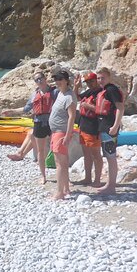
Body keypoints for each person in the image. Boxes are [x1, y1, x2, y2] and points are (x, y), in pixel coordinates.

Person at [2, 71, 57, 184]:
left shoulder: (55, 92)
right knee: (40, 152)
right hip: (39, 123)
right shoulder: (34, 94)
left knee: (57, 150)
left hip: (52, 122)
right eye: (36, 80)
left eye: (40, 78)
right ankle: (43, 176)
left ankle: (62, 175)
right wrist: (11, 111)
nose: (39, 81)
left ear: (45, 78)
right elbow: (26, 109)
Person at [94, 67, 125, 195]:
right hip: (104, 126)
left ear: (109, 77)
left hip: (109, 127)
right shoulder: (105, 90)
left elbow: (120, 108)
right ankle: (109, 184)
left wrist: (115, 125)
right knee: (107, 155)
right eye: (98, 78)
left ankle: (111, 186)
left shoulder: (111, 90)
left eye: (103, 78)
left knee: (111, 156)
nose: (100, 80)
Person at [48, 70, 76, 200]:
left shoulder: (69, 96)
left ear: (66, 80)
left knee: (59, 163)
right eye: (56, 80)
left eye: (60, 79)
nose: (57, 82)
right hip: (56, 132)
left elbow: (72, 117)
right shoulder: (61, 93)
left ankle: (59, 192)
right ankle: (65, 189)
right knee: (62, 163)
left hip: (61, 133)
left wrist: (68, 135)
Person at [73, 72, 103, 187]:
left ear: (96, 80)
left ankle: (97, 180)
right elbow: (77, 97)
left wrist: (88, 106)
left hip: (94, 126)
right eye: (88, 82)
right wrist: (76, 86)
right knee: (86, 154)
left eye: (91, 81)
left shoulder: (101, 93)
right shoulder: (90, 92)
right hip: (83, 124)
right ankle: (88, 178)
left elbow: (104, 109)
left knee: (96, 154)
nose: (90, 84)